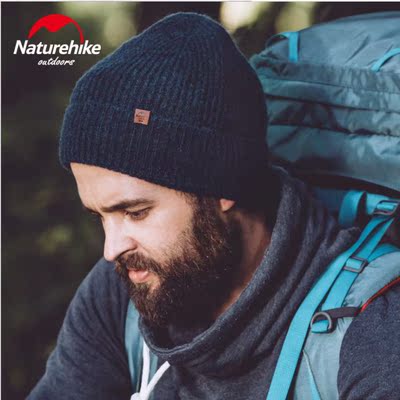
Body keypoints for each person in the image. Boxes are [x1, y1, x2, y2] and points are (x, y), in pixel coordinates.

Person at [28, 12, 400, 400]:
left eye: (136, 212)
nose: (112, 250)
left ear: (223, 185)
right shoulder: (125, 291)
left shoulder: (372, 333)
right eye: (100, 217)